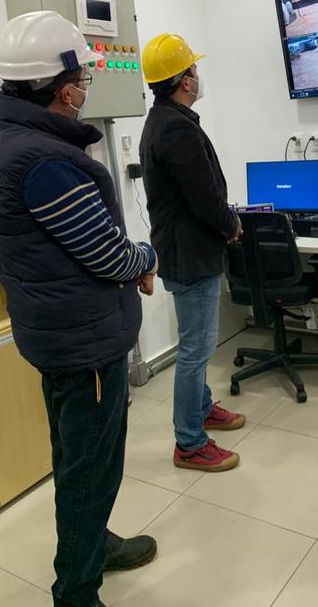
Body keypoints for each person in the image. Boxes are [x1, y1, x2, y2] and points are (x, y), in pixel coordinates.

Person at [0, 11, 158, 607]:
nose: (86, 89)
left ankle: (95, 543)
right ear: (61, 87)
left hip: (55, 334)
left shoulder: (2, 137)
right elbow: (106, 252)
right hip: (83, 342)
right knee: (90, 471)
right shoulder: (47, 161)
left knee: (75, 455)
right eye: (81, 77)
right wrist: (146, 257)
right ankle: (76, 591)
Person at [139, 33, 245, 473]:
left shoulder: (163, 120)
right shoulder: (176, 129)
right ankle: (189, 442)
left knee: (195, 345)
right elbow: (203, 198)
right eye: (194, 69)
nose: (198, 76)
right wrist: (232, 223)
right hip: (192, 253)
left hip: (185, 250)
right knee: (195, 351)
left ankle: (201, 408)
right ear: (184, 79)